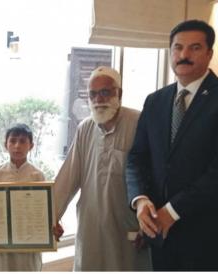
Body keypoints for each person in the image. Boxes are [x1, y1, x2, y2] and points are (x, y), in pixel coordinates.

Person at [126, 19, 218, 271]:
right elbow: (136, 158)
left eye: (194, 48)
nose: (183, 55)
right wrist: (140, 200)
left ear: (209, 53)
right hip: (160, 233)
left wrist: (172, 211)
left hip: (207, 235)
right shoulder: (155, 101)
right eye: (177, 48)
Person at [54, 66, 151, 271]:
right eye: (93, 94)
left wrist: (149, 224)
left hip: (128, 230)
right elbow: (67, 179)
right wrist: (50, 218)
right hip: (91, 231)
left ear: (119, 93)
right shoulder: (85, 129)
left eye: (105, 92)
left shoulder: (139, 122)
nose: (99, 99)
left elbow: (154, 177)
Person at [0, 123, 46, 271]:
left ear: (31, 145)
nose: (17, 146)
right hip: (0, 242)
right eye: (13, 141)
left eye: (23, 141)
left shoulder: (38, 175)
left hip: (28, 239)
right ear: (6, 145)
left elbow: (44, 210)